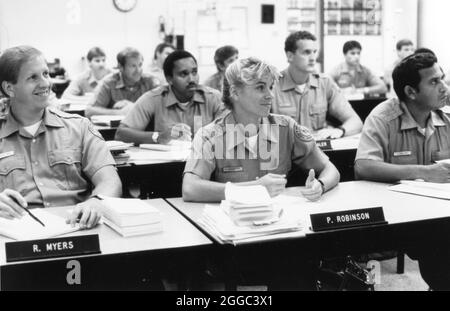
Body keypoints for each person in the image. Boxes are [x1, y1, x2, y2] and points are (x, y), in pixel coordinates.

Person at [182, 57, 340, 290]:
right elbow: (190, 188)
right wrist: (254, 190)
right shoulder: (210, 134)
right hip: (238, 239)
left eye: (270, 87)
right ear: (235, 92)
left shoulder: (286, 127)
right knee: (293, 267)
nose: (270, 95)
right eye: (260, 87)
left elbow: (330, 169)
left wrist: (321, 185)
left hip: (282, 232)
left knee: (302, 262)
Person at [355, 52, 450, 290]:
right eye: (434, 82)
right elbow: (364, 166)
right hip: (395, 217)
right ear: (410, 92)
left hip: (437, 214)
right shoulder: (383, 117)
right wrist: (425, 172)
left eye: (443, 78)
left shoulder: (445, 117)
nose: (444, 87)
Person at [0, 46, 122, 228]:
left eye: (45, 74)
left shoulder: (79, 127)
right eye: (33, 77)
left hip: (76, 227)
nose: (45, 84)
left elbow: (110, 181)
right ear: (10, 88)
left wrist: (97, 201)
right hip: (16, 234)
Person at [115, 50, 225, 144]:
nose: (192, 79)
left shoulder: (213, 97)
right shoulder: (154, 99)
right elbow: (121, 134)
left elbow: (231, 133)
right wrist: (159, 136)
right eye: (183, 74)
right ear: (169, 79)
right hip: (167, 166)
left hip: (206, 164)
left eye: (194, 72)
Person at [272, 31, 362, 140]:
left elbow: (356, 121)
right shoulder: (272, 85)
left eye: (314, 52)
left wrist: (339, 130)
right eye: (306, 52)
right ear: (290, 56)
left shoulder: (325, 83)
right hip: (284, 152)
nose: (313, 58)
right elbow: (254, 129)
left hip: (318, 151)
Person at [85, 47, 160, 118]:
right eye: (133, 66)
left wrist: (134, 107)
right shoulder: (109, 83)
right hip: (115, 130)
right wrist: (119, 113)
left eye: (140, 65)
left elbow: (163, 109)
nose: (138, 70)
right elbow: (89, 111)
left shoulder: (150, 81)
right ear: (120, 67)